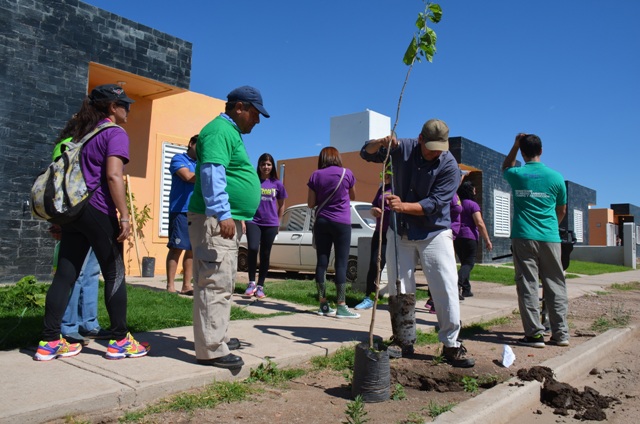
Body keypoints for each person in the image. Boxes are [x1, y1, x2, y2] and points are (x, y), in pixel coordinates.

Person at [34, 84, 149, 361]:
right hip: (99, 210)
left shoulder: (81, 135)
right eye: (125, 104)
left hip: (75, 213)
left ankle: (49, 342)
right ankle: (120, 339)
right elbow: (113, 176)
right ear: (112, 107)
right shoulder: (114, 133)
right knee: (114, 273)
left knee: (65, 274)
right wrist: (124, 214)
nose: (129, 109)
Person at [360, 118, 475, 368]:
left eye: (439, 148)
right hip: (399, 231)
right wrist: (380, 143)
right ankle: (404, 340)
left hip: (434, 232)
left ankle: (451, 344)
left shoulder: (449, 166)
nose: (435, 153)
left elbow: (435, 204)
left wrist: (404, 206)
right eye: (430, 146)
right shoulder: (403, 147)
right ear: (420, 139)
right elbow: (366, 153)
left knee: (445, 285)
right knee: (400, 287)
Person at [188, 86, 269, 369]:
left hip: (225, 220)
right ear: (240, 107)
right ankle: (211, 349)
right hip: (214, 220)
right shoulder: (219, 131)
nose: (257, 121)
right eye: (256, 114)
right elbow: (212, 173)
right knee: (214, 282)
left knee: (223, 282)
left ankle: (217, 337)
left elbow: (231, 176)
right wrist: (223, 214)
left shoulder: (228, 132)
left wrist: (237, 217)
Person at [502, 133, 569, 348]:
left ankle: (534, 335)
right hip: (550, 236)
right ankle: (561, 335)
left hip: (523, 235)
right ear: (541, 151)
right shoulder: (556, 177)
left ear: (523, 152)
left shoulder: (517, 174)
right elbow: (562, 209)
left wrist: (514, 145)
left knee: (527, 284)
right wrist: (552, 226)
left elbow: (506, 166)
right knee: (556, 284)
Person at [49, 116, 111, 346]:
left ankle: (89, 323)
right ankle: (68, 325)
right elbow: (58, 183)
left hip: (97, 213)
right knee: (74, 272)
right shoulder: (66, 146)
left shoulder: (94, 144)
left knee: (92, 271)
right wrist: (58, 219)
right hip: (76, 215)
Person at [307, 146, 359, 319]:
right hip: (342, 223)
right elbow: (353, 196)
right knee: (342, 263)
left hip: (322, 221)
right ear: (337, 157)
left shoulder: (315, 175)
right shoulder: (347, 173)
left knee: (321, 262)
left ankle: (323, 303)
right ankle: (341, 305)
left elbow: (310, 203)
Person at [243, 153, 288, 299]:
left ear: (272, 166)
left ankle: (260, 285)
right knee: (253, 248)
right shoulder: (254, 181)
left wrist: (278, 222)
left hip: (270, 223)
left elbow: (282, 205)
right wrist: (244, 220)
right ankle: (251, 283)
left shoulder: (277, 184)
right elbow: (246, 201)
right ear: (259, 165)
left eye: (268, 164)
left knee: (265, 254)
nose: (266, 167)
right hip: (253, 221)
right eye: (263, 164)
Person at [354, 166, 391, 310]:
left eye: (388, 173)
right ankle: (369, 297)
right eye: (384, 173)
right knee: (375, 264)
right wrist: (374, 211)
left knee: (398, 267)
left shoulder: (402, 187)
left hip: (396, 233)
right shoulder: (382, 189)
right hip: (380, 231)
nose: (385, 176)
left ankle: (399, 297)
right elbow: (373, 206)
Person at [165, 135, 198, 295]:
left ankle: (186, 285)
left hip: (196, 212)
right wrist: (207, 175)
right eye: (200, 146)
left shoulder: (201, 164)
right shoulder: (178, 158)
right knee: (176, 247)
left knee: (191, 250)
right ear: (191, 143)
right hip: (179, 210)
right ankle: (170, 286)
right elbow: (187, 176)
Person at [454, 181, 493, 299]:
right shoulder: (473, 205)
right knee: (469, 264)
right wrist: (487, 240)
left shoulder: (458, 203)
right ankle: (456, 285)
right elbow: (480, 223)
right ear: (470, 191)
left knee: (464, 263)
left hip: (457, 237)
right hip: (470, 237)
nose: (475, 191)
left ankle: (466, 290)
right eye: (474, 190)